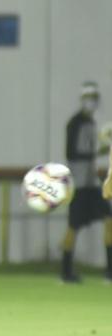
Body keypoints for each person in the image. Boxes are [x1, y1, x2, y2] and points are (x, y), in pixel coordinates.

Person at [68, 81, 112, 283]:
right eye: (89, 97)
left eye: (95, 98)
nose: (92, 102)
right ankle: (65, 270)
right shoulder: (75, 123)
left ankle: (109, 271)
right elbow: (73, 152)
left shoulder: (92, 123)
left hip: (92, 183)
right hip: (80, 184)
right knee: (73, 227)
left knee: (109, 219)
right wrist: (100, 149)